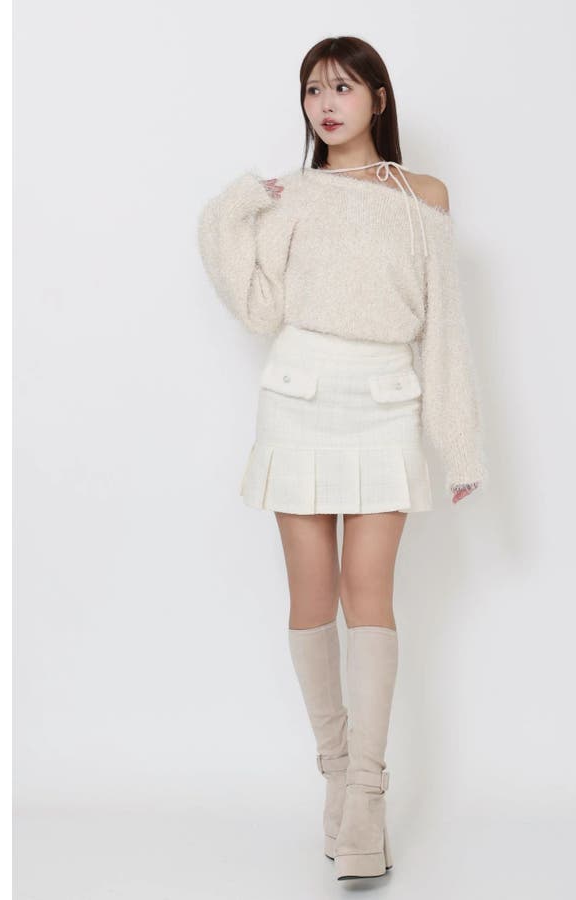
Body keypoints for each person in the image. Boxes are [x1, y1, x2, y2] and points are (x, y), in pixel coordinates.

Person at [196, 36, 488, 881]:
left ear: (378, 99)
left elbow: (444, 327)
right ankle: (335, 774)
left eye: (344, 88)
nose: (326, 104)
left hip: (385, 402)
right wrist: (235, 207)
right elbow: (257, 307)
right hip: (297, 398)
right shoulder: (291, 196)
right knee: (311, 596)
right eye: (313, 90)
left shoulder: (423, 196)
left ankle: (367, 792)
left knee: (371, 597)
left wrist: (460, 442)